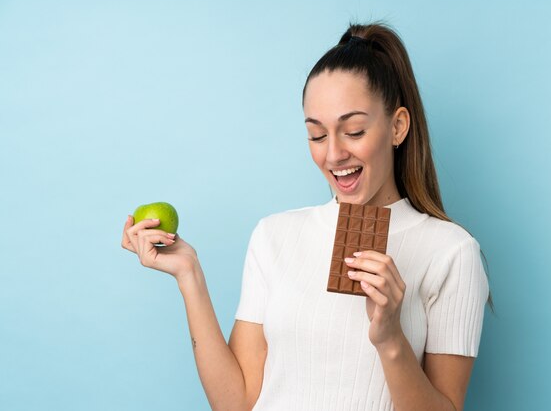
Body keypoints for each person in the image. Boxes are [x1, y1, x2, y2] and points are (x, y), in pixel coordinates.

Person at [122, 21, 491, 411]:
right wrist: (189, 275)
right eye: (317, 135)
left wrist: (390, 338)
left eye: (354, 130)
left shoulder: (452, 252)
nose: (333, 155)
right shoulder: (274, 235)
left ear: (397, 126)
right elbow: (236, 403)